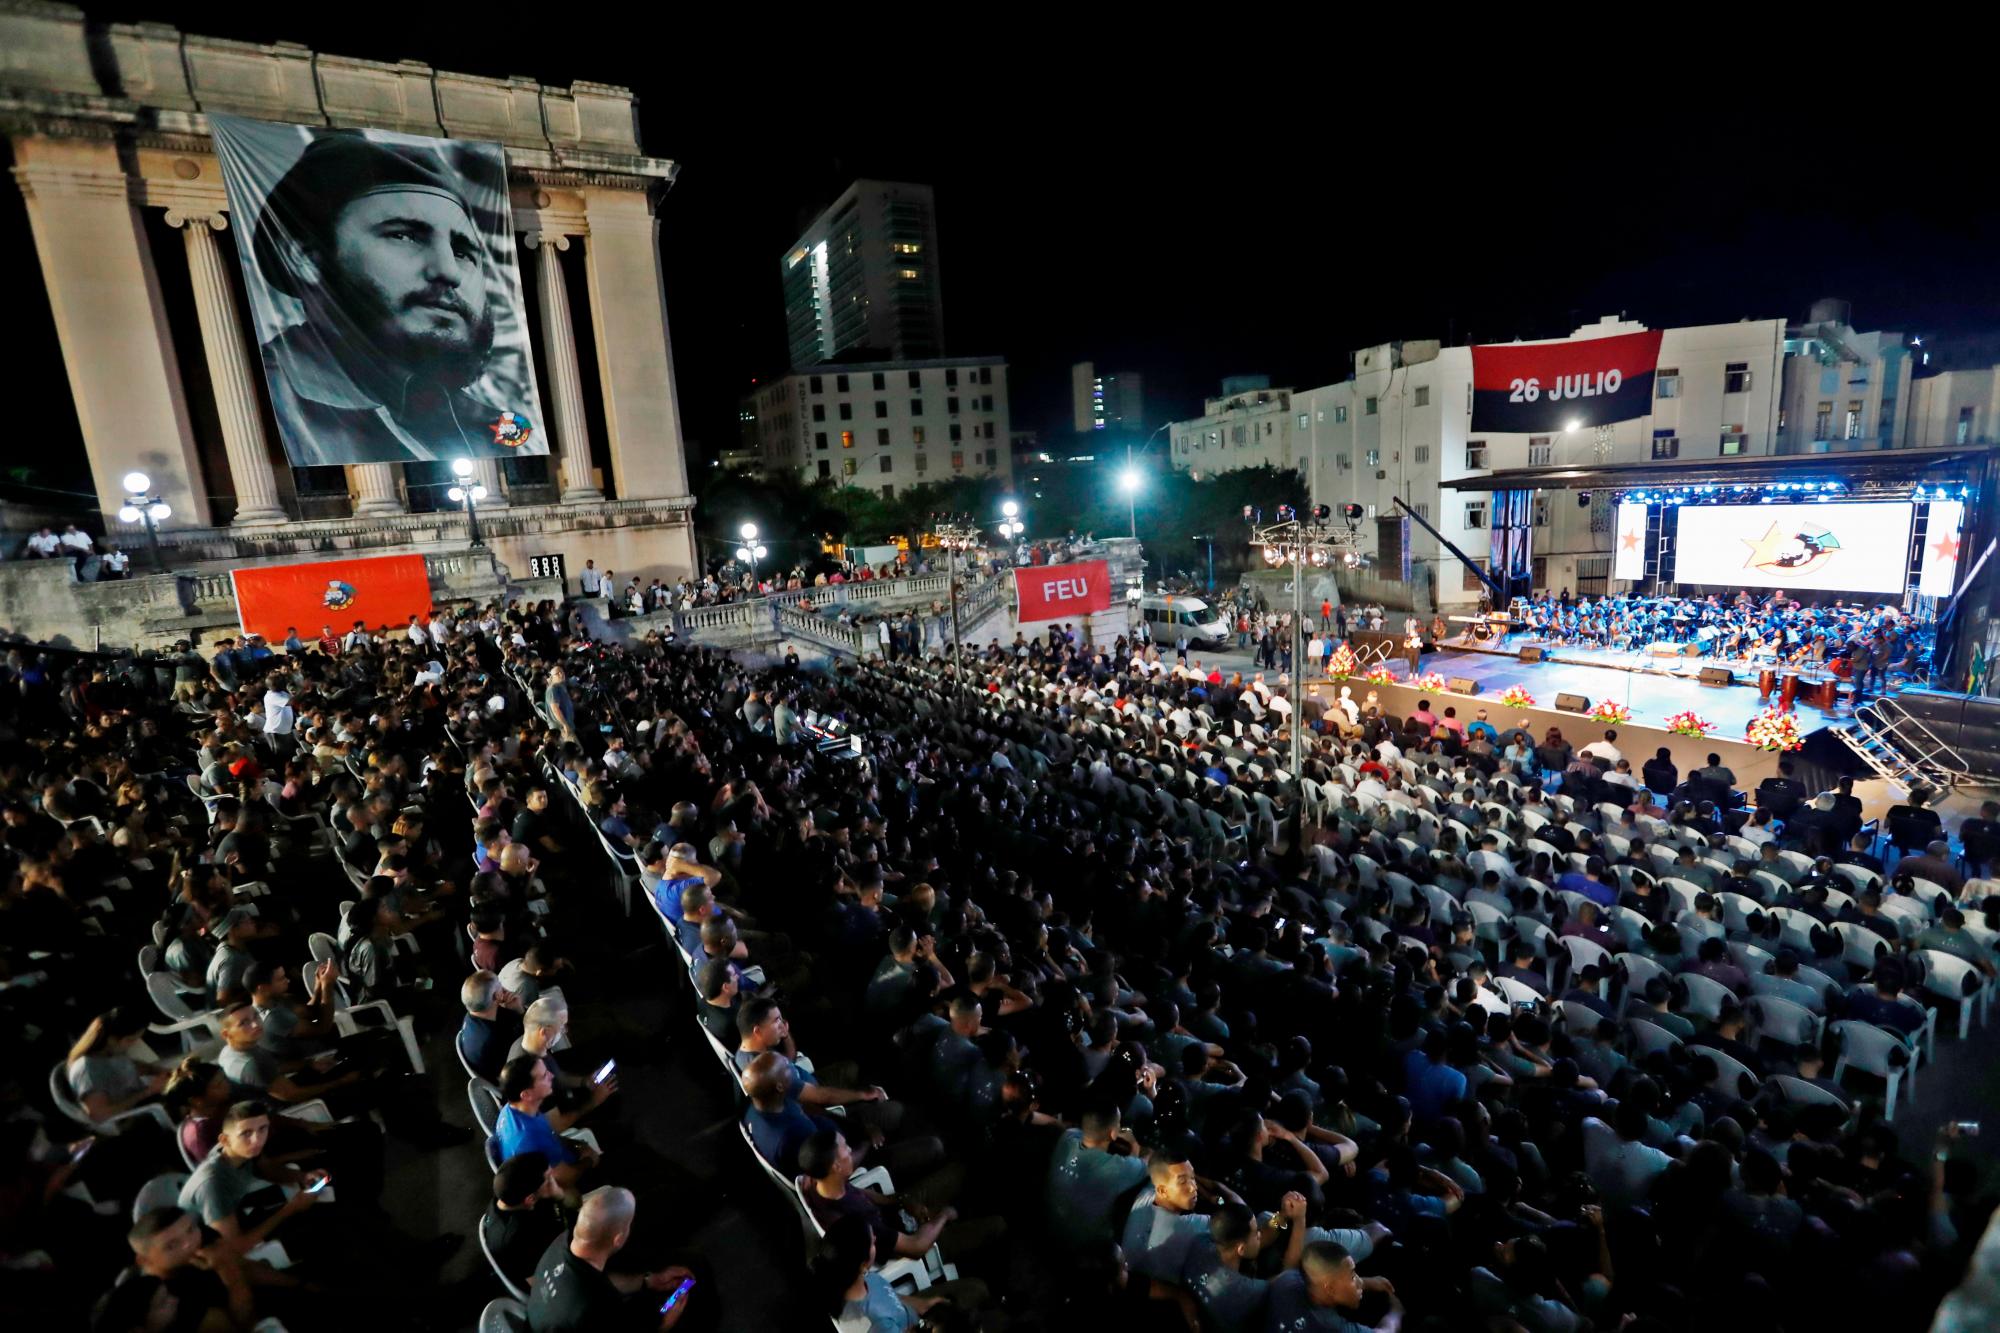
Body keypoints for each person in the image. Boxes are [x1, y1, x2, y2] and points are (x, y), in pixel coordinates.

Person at [243, 128, 537, 466]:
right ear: (306, 259)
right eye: (404, 235)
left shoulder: (481, 419)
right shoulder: (268, 403)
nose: (448, 271)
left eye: (462, 251)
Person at [526, 1186, 697, 1332]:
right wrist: (665, 1324)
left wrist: (648, 1281)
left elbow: (603, 1283)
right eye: (629, 1225)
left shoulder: (561, 1242)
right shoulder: (596, 1306)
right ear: (619, 1238)